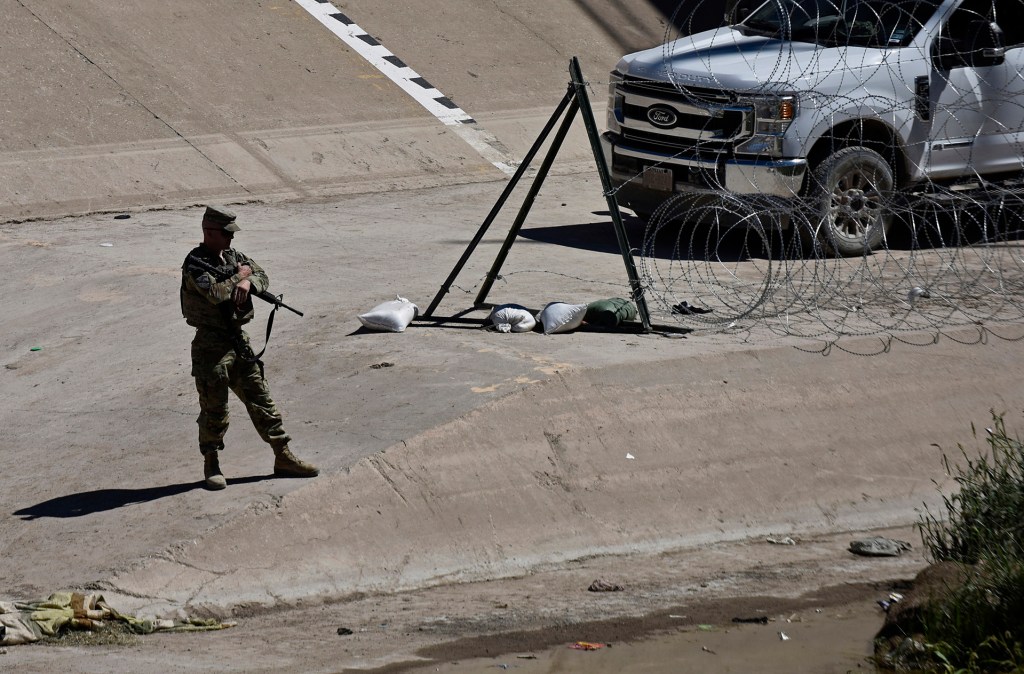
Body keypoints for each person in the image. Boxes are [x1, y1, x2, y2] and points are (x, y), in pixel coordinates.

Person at [180, 205, 319, 490]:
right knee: (214, 409)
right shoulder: (195, 262)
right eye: (226, 234)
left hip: (238, 340)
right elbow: (216, 294)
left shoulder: (234, 257)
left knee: (261, 399)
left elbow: (261, 275)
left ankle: (283, 455)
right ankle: (212, 462)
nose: (231, 240)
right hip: (211, 345)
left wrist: (247, 281)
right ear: (209, 232)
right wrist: (239, 278)